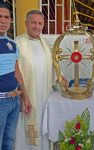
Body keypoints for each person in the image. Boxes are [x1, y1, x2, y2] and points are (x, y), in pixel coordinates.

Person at [15, 10, 53, 150]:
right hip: (27, 96)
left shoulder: (46, 45)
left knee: (42, 126)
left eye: (40, 23)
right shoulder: (17, 44)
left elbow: (52, 68)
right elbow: (14, 72)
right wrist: (23, 95)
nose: (37, 26)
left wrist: (62, 79)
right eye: (33, 23)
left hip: (44, 95)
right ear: (26, 23)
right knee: (25, 130)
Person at [0, 3, 32, 150]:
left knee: (8, 142)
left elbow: (17, 73)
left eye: (6, 17)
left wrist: (25, 96)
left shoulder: (12, 44)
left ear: (10, 20)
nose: (3, 20)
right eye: (0, 17)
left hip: (14, 100)